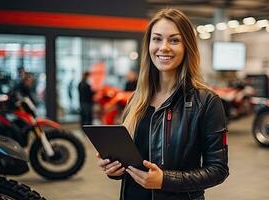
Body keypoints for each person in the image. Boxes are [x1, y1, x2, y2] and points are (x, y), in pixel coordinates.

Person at [97, 8, 229, 200]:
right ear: (149, 44)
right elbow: (132, 164)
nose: (163, 47)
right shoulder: (136, 99)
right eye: (157, 39)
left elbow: (218, 170)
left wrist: (165, 180)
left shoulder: (206, 101)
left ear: (187, 47)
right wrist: (113, 169)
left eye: (174, 40)